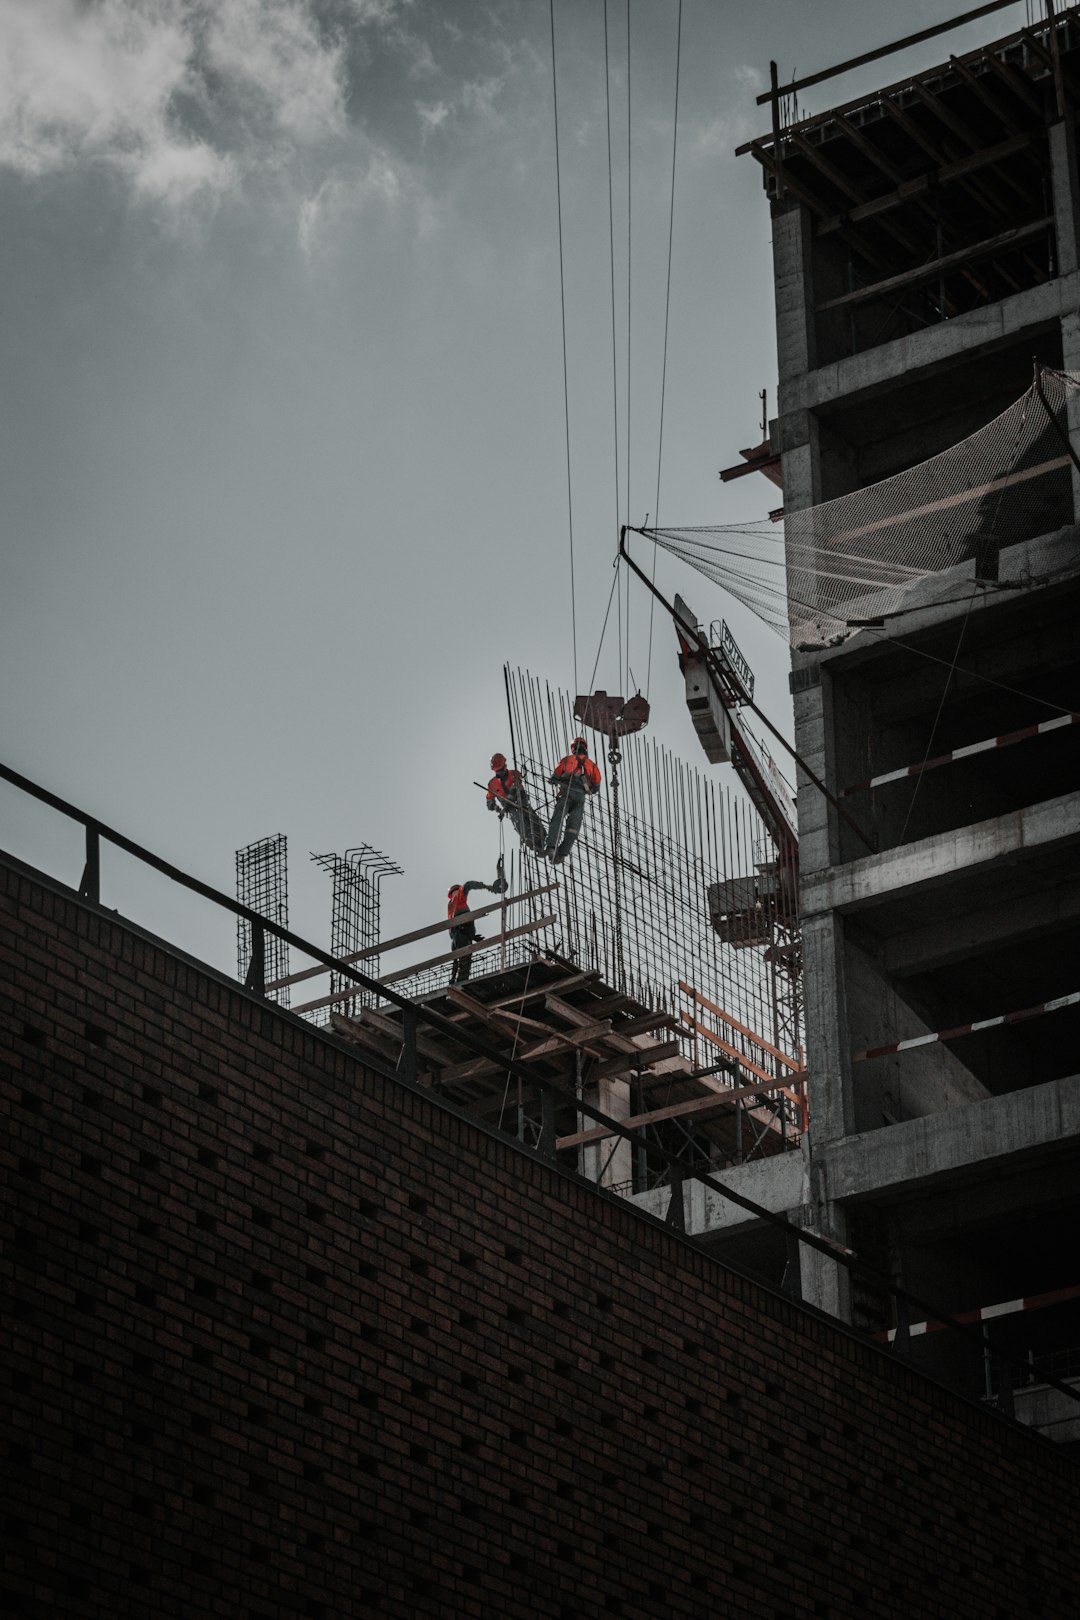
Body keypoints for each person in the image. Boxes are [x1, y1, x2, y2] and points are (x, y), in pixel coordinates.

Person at [545, 737, 601, 863]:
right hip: (580, 799)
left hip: (567, 794)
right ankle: (562, 854)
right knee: (573, 829)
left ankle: (551, 848)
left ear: (573, 748)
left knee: (557, 820)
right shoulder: (592, 765)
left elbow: (556, 776)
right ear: (585, 748)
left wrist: (555, 780)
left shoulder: (567, 760)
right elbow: (596, 787)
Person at [486, 753, 546, 851]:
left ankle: (542, 838)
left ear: (505, 765)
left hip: (520, 800)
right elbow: (489, 801)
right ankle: (530, 840)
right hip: (510, 808)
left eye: (501, 770)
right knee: (517, 818)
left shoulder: (514, 773)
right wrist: (495, 807)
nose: (500, 773)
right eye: (497, 771)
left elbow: (514, 789)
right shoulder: (492, 784)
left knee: (530, 816)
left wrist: (504, 808)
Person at [446, 880, 490, 985]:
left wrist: (473, 936)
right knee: (464, 961)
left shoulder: (451, 906)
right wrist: (488, 887)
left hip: (457, 936)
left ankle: (454, 980)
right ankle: (461, 982)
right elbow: (468, 885)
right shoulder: (458, 899)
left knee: (457, 960)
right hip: (461, 935)